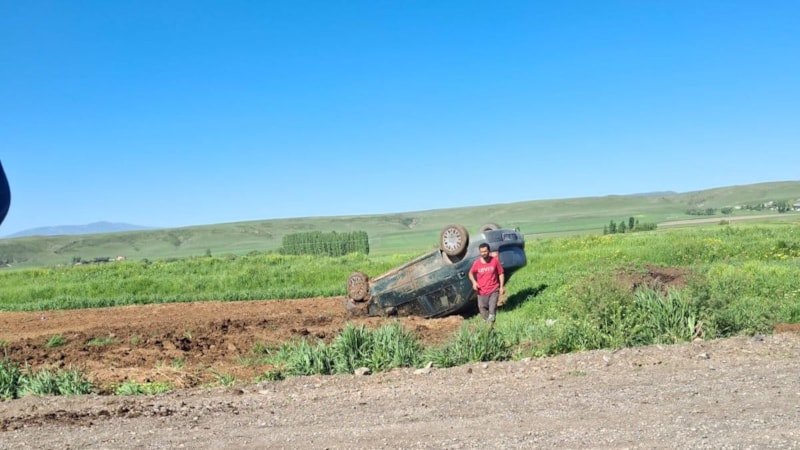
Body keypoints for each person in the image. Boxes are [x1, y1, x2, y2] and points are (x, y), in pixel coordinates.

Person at [468, 243, 504, 325]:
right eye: (481, 252)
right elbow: (470, 273)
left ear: (489, 251)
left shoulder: (494, 261)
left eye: (485, 251)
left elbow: (501, 273)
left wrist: (501, 286)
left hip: (494, 290)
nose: (483, 253)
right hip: (481, 292)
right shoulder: (477, 263)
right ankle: (486, 326)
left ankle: (491, 326)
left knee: (492, 310)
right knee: (483, 312)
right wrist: (474, 282)